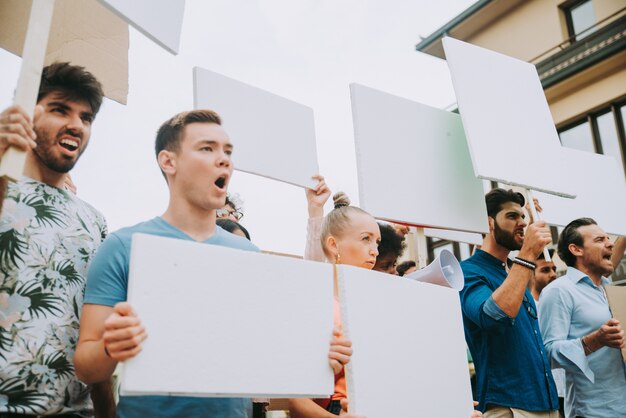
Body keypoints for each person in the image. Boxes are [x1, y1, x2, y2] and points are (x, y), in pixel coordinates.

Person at [73, 109, 353, 418]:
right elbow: (86, 365)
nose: (224, 160)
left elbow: (267, 356)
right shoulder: (123, 245)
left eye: (228, 152)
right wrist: (112, 346)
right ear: (169, 162)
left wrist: (318, 359)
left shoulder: (248, 255)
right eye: (207, 148)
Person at [0, 62, 114, 416]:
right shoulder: (5, 191)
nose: (76, 125)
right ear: (29, 115)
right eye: (60, 109)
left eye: (86, 117)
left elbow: (96, 330)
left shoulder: (95, 222)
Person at [459, 188, 558, 417]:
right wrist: (528, 252)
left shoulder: (514, 272)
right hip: (507, 405)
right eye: (512, 216)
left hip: (545, 403)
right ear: (489, 223)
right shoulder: (468, 271)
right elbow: (494, 316)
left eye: (523, 217)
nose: (522, 223)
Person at [539, 218, 626, 418]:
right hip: (594, 411)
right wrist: (593, 341)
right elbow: (546, 352)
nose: (610, 243)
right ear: (576, 250)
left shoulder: (608, 289)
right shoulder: (559, 291)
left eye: (609, 239)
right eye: (599, 240)